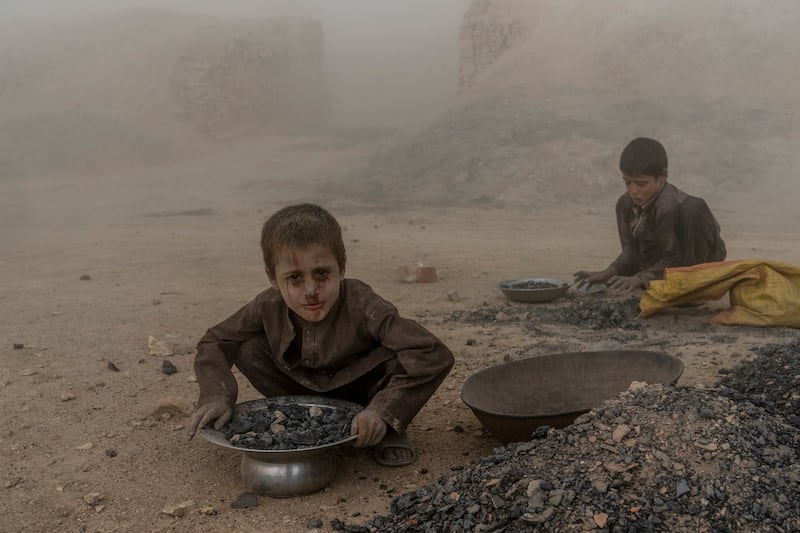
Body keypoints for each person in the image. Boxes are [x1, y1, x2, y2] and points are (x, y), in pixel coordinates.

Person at [185, 203, 454, 467]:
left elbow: (432, 353)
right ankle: (297, 416)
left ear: (342, 268)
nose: (311, 290)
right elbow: (215, 341)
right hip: (302, 391)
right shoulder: (267, 305)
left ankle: (387, 428)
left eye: (322, 273)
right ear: (272, 278)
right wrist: (216, 396)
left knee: (400, 354)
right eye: (295, 278)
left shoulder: (363, 303)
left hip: (364, 393)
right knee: (246, 346)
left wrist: (381, 410)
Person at [574, 137, 726, 292]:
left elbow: (675, 257)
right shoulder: (625, 204)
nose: (633, 191)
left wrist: (640, 278)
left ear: (663, 176)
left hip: (690, 263)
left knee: (693, 208)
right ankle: (651, 280)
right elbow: (632, 250)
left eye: (641, 184)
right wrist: (610, 271)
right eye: (628, 182)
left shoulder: (675, 207)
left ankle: (685, 290)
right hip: (658, 265)